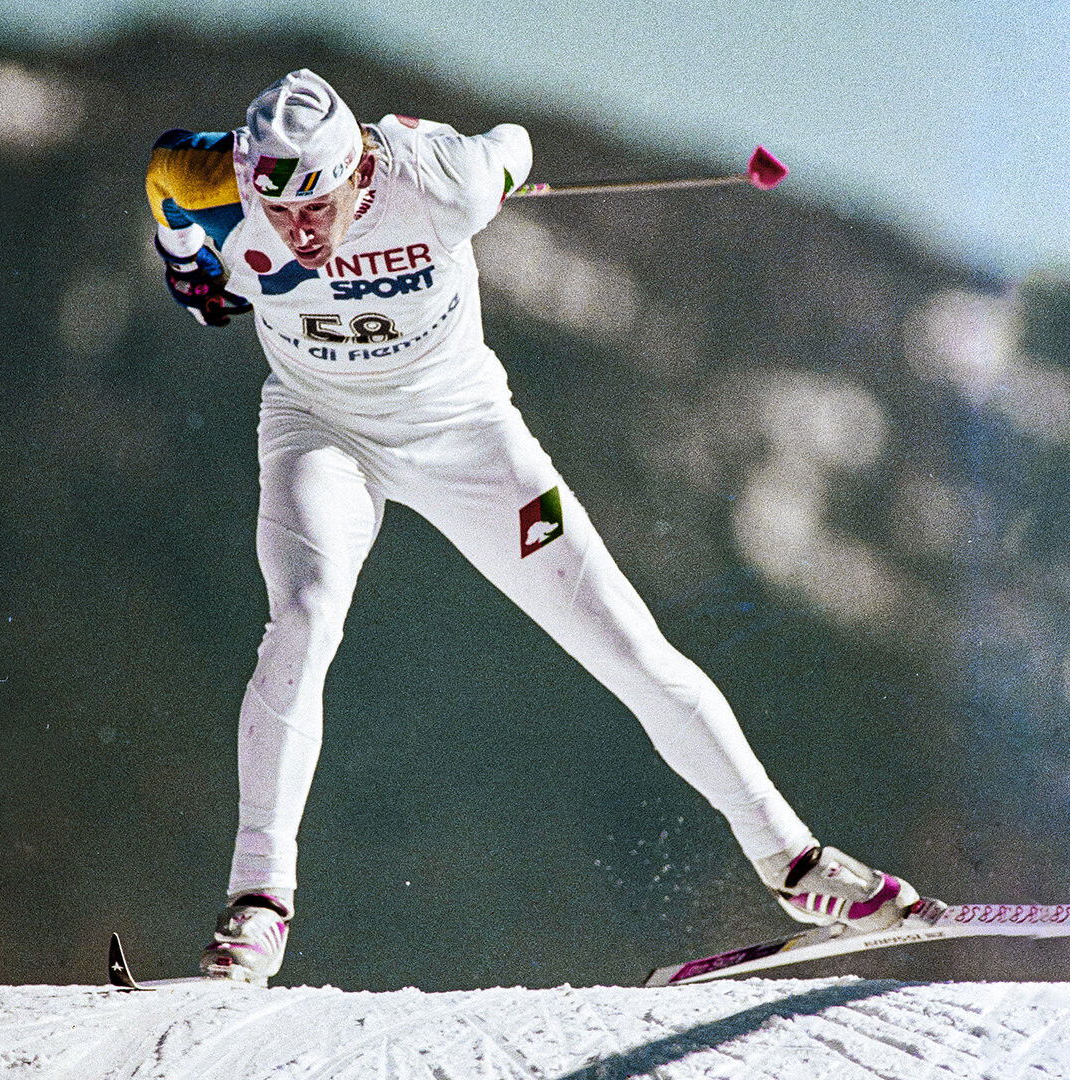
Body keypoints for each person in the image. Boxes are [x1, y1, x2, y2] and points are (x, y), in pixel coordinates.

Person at [143, 69, 929, 985]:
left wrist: (501, 172)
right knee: (306, 615)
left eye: (319, 205)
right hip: (323, 430)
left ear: (360, 170)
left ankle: (798, 866)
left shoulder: (440, 180)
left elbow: (511, 143)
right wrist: (186, 261)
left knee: (629, 645)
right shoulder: (217, 179)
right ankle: (257, 905)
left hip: (471, 440)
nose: (301, 232)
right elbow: (164, 175)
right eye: (280, 211)